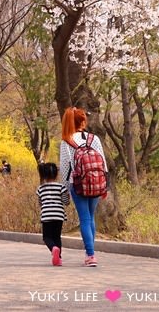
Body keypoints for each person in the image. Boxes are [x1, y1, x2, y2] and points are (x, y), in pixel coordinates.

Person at [60, 106, 108, 267]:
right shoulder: (93, 139)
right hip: (96, 183)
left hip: (78, 184)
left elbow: (65, 168)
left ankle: (91, 254)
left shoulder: (67, 141)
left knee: (85, 219)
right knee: (91, 218)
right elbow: (103, 163)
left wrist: (66, 189)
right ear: (83, 121)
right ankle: (90, 252)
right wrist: (104, 186)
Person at [36, 162, 69, 266]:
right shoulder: (61, 187)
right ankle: (58, 259)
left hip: (47, 215)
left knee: (47, 237)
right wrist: (67, 196)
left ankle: (53, 249)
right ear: (56, 174)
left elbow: (40, 203)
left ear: (44, 175)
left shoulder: (41, 188)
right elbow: (66, 202)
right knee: (56, 237)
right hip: (59, 215)